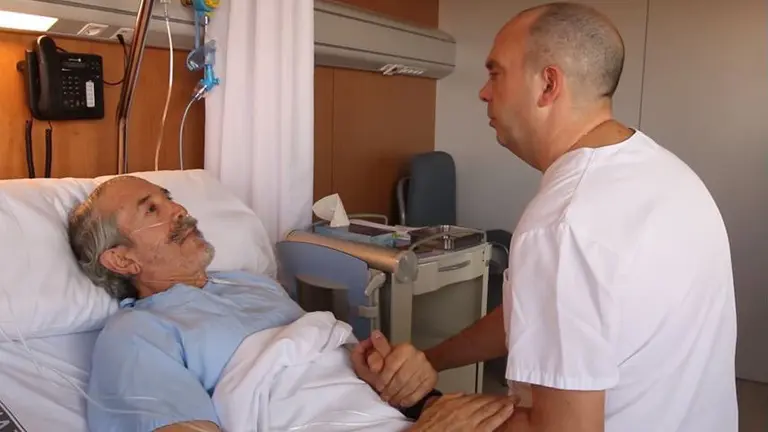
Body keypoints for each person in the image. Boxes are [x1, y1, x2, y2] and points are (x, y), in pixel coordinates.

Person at [352, 3, 738, 431]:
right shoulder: (669, 175)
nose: (483, 91)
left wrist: (440, 416)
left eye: (495, 73)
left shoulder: (564, 223)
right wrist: (431, 360)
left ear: (548, 84)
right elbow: (542, 309)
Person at [68, 175, 517, 432]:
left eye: (169, 198)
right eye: (152, 210)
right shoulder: (136, 336)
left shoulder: (252, 285)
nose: (179, 209)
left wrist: (404, 380)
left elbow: (331, 375)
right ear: (121, 258)